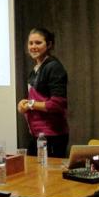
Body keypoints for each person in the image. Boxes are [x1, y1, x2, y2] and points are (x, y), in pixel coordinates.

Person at [17, 27, 69, 157]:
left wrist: (30, 104)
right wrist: (24, 105)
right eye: (31, 43)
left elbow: (57, 104)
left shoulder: (53, 67)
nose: (33, 46)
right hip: (38, 135)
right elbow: (37, 100)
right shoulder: (36, 69)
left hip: (52, 136)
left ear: (49, 44)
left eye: (38, 43)